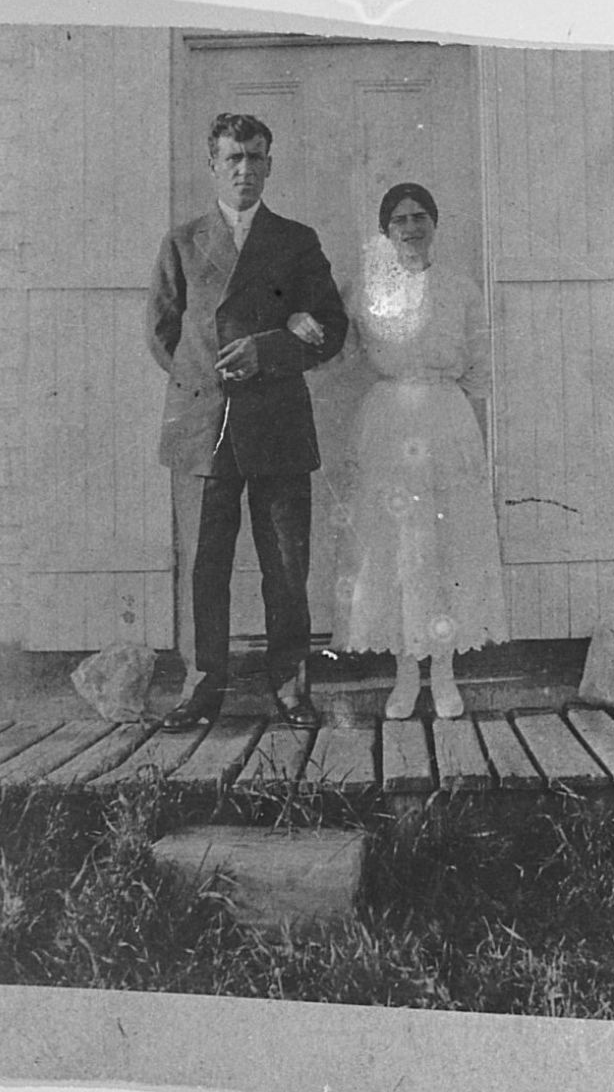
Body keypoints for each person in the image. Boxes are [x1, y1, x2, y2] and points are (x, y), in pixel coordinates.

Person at [146, 113, 348, 730]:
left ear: (270, 164)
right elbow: (162, 333)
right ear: (213, 165)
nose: (244, 170)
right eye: (233, 158)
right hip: (203, 426)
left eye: (255, 157)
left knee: (285, 563)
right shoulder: (182, 242)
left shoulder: (296, 241)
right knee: (204, 564)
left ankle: (290, 685)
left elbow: (330, 328)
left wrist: (269, 351)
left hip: (278, 422)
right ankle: (202, 686)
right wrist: (210, 380)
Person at [300, 182, 507, 719]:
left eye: (420, 217)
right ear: (385, 231)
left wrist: (463, 432)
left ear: (434, 224)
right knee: (395, 546)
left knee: (445, 546)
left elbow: (480, 367)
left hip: (446, 422)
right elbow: (337, 353)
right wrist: (305, 326)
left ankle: (445, 672)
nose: (411, 228)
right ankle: (406, 673)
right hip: (388, 424)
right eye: (399, 220)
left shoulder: (460, 289)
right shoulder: (365, 291)